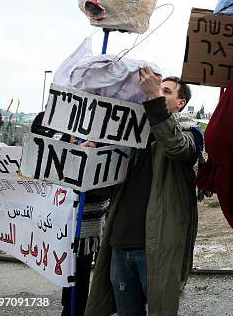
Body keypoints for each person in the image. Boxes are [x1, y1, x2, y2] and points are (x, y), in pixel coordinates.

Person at [85, 70, 200, 316]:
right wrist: (93, 157)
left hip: (154, 249)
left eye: (165, 91)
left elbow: (176, 147)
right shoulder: (130, 135)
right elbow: (106, 187)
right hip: (119, 244)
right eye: (157, 89)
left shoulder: (191, 132)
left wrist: (153, 97)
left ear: (181, 104)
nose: (157, 94)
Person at [31, 113, 110, 316]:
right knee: (67, 261)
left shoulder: (106, 118)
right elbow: (37, 132)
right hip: (62, 204)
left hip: (90, 208)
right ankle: (71, 304)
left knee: (84, 265)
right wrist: (68, 140)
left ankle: (78, 308)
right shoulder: (63, 113)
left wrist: (96, 147)